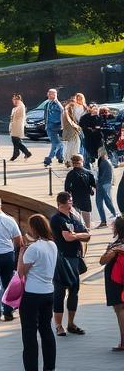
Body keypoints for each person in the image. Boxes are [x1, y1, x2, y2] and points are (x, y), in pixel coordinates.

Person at [17, 213, 58, 371]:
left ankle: (31, 367)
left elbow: (21, 273)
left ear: (33, 228)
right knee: (46, 329)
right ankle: (49, 367)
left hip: (32, 294)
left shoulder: (33, 248)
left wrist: (21, 254)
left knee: (29, 333)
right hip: (48, 292)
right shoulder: (52, 245)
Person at [50, 191, 90, 336]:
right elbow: (67, 238)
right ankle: (59, 326)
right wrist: (77, 235)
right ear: (62, 203)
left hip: (75, 257)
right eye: (70, 201)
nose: (72, 203)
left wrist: (76, 235)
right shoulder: (56, 219)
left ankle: (71, 323)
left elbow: (87, 235)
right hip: (61, 259)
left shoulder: (75, 216)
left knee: (74, 291)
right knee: (59, 292)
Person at [98, 216, 124, 351]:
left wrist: (113, 251)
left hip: (116, 281)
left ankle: (123, 342)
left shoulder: (115, 245)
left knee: (120, 309)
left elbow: (102, 261)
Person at [63, 154, 96, 228]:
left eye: (77, 163)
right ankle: (83, 227)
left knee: (84, 212)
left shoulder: (87, 172)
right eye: (74, 163)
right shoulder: (72, 174)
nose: (76, 165)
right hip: (78, 195)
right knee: (79, 212)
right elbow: (67, 187)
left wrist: (92, 190)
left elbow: (93, 184)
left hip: (82, 195)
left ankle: (86, 227)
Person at [94, 148, 117, 228]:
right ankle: (106, 219)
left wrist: (99, 183)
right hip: (102, 184)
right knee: (102, 202)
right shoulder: (103, 161)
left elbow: (107, 175)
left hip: (103, 184)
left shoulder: (105, 162)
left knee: (104, 202)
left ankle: (113, 216)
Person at [41, 89, 65, 167]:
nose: (49, 95)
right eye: (49, 94)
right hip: (48, 126)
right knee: (58, 143)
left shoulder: (57, 104)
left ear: (55, 95)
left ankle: (49, 158)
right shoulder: (48, 103)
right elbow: (46, 114)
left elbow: (62, 112)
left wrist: (61, 125)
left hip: (55, 127)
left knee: (55, 143)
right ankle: (60, 157)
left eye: (51, 94)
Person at [62, 99, 83, 169]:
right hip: (71, 133)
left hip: (71, 133)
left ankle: (69, 161)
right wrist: (78, 127)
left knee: (71, 148)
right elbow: (70, 122)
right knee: (72, 148)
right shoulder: (66, 111)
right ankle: (69, 161)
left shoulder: (67, 111)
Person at [10, 94, 32, 160]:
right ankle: (16, 154)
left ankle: (27, 152)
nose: (13, 101)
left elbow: (17, 117)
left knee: (16, 141)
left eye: (14, 99)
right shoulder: (17, 107)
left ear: (18, 99)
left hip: (17, 126)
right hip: (15, 126)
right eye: (13, 99)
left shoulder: (21, 106)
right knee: (15, 140)